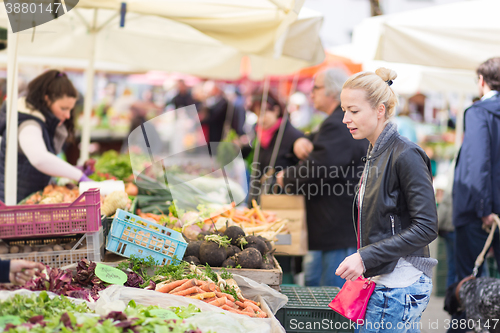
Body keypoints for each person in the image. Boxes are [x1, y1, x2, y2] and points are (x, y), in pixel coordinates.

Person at [335, 68, 438, 332]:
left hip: (398, 287)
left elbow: (426, 227)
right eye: (344, 109)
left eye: (354, 111)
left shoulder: (406, 154)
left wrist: (365, 257)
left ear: (380, 110)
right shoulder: (374, 152)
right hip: (384, 284)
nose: (346, 118)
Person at [276, 68, 368, 287]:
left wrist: (285, 179)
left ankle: (329, 324)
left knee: (329, 299)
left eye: (315, 88)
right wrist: (300, 143)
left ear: (331, 92)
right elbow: (319, 149)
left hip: (336, 228)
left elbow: (317, 168)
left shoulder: (338, 123)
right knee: (319, 291)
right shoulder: (336, 122)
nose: (311, 94)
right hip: (332, 227)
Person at [0, 70, 90, 203]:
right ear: (47, 99)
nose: (68, 115)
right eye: (63, 108)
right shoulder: (28, 123)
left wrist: (74, 170)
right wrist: (79, 176)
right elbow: (40, 159)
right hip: (11, 203)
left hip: (24, 199)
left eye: (70, 109)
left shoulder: (40, 120)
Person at [453, 57, 500, 281]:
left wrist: (483, 209)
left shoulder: (479, 112)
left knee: (470, 282)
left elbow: (479, 162)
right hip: (489, 209)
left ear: (482, 80)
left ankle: (466, 319)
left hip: (479, 212)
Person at [241, 90, 304, 202]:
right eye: (257, 115)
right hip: (260, 200)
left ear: (276, 110)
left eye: (263, 114)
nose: (260, 120)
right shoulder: (261, 135)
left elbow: (304, 170)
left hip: (283, 203)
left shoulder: (294, 136)